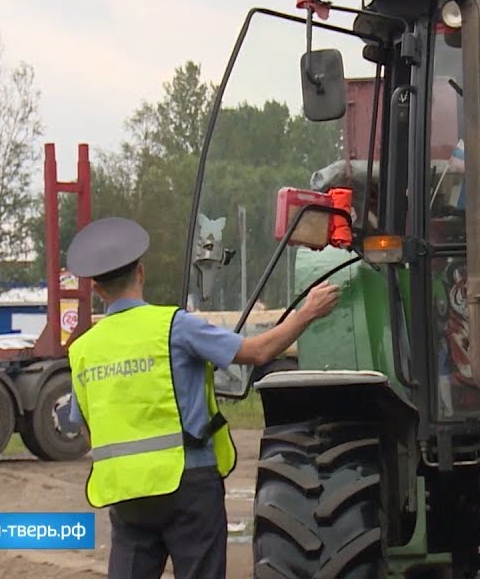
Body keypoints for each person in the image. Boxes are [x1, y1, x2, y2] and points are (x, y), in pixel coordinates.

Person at [63, 216, 340, 579]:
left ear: (98, 290)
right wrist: (308, 313)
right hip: (188, 486)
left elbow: (86, 429)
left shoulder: (83, 349)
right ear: (141, 273)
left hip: (127, 494)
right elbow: (257, 352)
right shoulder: (174, 326)